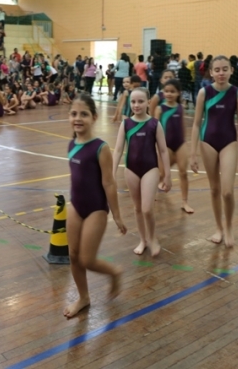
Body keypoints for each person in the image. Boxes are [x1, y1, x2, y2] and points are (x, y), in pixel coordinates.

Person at [64, 93, 126, 318]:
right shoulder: (71, 143)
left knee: (87, 259)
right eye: (73, 114)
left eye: (83, 114)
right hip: (75, 206)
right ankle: (83, 297)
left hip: (96, 210)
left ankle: (114, 273)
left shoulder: (101, 147)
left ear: (94, 117)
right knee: (73, 255)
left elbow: (109, 183)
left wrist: (117, 215)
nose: (77, 118)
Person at [190, 55, 238, 248]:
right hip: (207, 142)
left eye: (225, 69)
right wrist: (192, 154)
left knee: (228, 192)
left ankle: (229, 227)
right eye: (217, 70)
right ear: (211, 72)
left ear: (231, 70)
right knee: (214, 189)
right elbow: (197, 124)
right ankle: (218, 228)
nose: (221, 73)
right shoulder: (203, 93)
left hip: (229, 142)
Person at [113, 88, 172, 257]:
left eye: (140, 101)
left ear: (148, 102)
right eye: (133, 102)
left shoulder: (154, 124)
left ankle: (153, 238)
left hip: (150, 169)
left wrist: (167, 174)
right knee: (138, 208)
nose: (136, 105)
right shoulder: (126, 124)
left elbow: (163, 150)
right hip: (131, 169)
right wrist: (111, 172)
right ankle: (143, 239)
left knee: (147, 208)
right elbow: (117, 150)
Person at [154, 79, 193, 214]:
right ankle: (152, 192)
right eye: (166, 91)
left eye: (172, 91)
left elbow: (182, 125)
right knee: (161, 173)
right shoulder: (160, 109)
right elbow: (154, 128)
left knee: (183, 172)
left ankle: (184, 202)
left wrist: (185, 141)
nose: (169, 94)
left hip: (180, 143)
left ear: (178, 93)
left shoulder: (180, 107)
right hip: (166, 146)